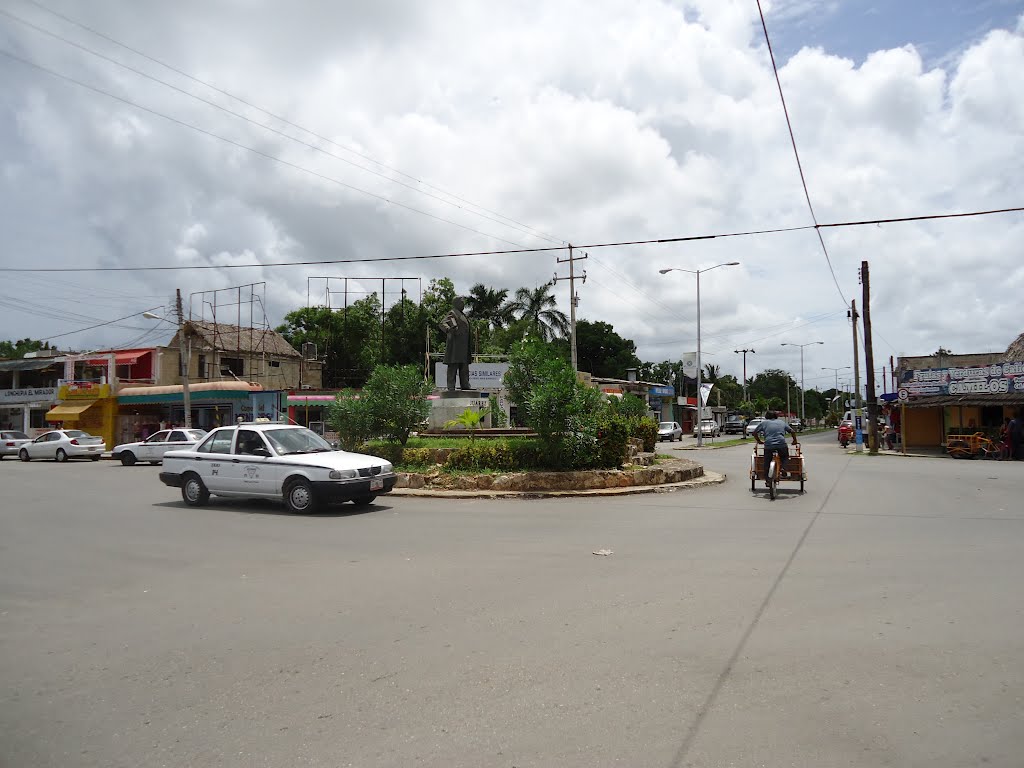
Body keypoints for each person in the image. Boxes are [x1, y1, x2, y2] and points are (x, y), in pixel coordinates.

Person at [754, 410, 799, 483]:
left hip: (769, 445)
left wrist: (759, 441)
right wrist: (795, 441)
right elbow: (792, 431)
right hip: (781, 444)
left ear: (766, 416)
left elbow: (754, 433)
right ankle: (784, 468)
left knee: (767, 461)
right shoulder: (781, 422)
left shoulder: (764, 423)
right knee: (785, 457)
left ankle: (767, 480)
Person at [441, 296, 471, 391]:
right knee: (453, 366)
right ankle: (451, 386)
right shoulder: (453, 313)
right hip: (455, 345)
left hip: (464, 345)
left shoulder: (463, 314)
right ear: (456, 303)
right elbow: (443, 323)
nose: (463, 304)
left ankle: (465, 385)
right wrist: (449, 329)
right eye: (461, 302)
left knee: (464, 367)